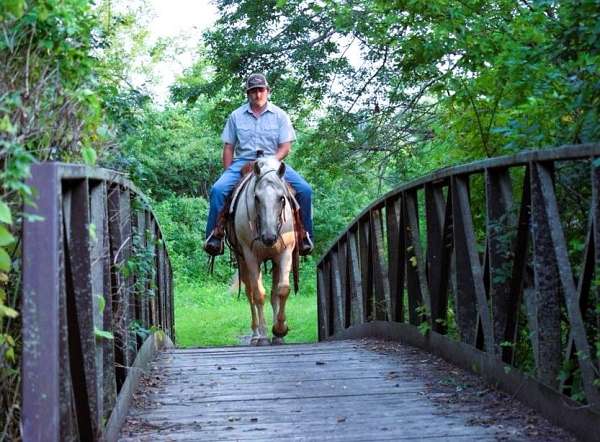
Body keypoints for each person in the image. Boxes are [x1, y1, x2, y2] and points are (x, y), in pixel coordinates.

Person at [204, 73, 314, 256]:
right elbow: (228, 147)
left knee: (305, 190)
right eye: (253, 91)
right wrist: (229, 171)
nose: (257, 94)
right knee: (217, 189)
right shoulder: (236, 116)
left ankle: (304, 236)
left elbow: (285, 147)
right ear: (248, 93)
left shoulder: (280, 115)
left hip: (273, 162)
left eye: (261, 90)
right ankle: (215, 236)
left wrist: (272, 161)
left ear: (268, 91)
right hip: (242, 163)